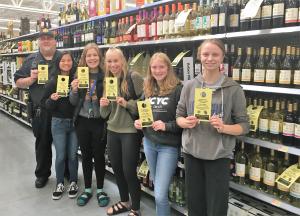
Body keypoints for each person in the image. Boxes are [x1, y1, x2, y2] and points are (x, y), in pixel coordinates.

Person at [176, 39, 249, 216]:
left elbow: (244, 126)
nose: (210, 58)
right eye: (205, 54)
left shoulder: (233, 89)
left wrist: (224, 128)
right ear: (199, 57)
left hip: (219, 156)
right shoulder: (189, 86)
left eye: (215, 54)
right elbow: (179, 116)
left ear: (222, 57)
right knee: (195, 205)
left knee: (217, 208)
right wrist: (184, 122)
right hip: (192, 153)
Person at [134, 52, 182, 216]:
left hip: (168, 147)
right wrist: (140, 122)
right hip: (149, 143)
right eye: (154, 67)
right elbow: (143, 112)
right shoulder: (148, 88)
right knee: (157, 188)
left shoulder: (178, 89)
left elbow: (184, 122)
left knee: (160, 193)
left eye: (161, 67)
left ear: (168, 68)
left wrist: (166, 126)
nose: (158, 70)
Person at [14, 31, 62, 188]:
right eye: (43, 39)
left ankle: (67, 172)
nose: (46, 41)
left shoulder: (63, 58)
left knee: (65, 144)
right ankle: (42, 174)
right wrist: (31, 79)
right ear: (38, 42)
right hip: (41, 111)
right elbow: (18, 82)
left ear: (55, 41)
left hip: (62, 110)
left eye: (50, 38)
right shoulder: (30, 60)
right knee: (42, 144)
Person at [99, 47, 144, 216]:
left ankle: (136, 208)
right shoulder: (108, 81)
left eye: (115, 61)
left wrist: (127, 104)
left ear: (122, 61)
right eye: (109, 61)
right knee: (117, 168)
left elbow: (145, 105)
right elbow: (105, 114)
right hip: (112, 129)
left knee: (128, 170)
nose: (113, 65)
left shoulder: (134, 77)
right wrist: (103, 106)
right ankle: (124, 201)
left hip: (130, 131)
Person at [69, 43, 109, 207]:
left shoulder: (106, 76)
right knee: (85, 156)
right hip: (83, 121)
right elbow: (73, 102)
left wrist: (106, 101)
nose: (92, 58)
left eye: (95, 55)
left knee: (99, 156)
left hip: (99, 121)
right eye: (88, 55)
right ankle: (87, 189)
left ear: (99, 57)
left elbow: (111, 99)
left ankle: (99, 189)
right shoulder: (79, 75)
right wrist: (74, 90)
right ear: (84, 58)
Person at [42, 51, 79, 200]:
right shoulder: (52, 81)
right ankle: (59, 183)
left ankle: (74, 181)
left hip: (75, 123)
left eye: (68, 60)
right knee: (61, 155)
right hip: (58, 123)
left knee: (72, 155)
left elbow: (77, 102)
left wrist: (76, 90)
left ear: (72, 62)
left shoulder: (76, 79)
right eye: (63, 61)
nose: (66, 63)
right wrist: (52, 98)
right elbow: (46, 105)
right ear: (58, 63)